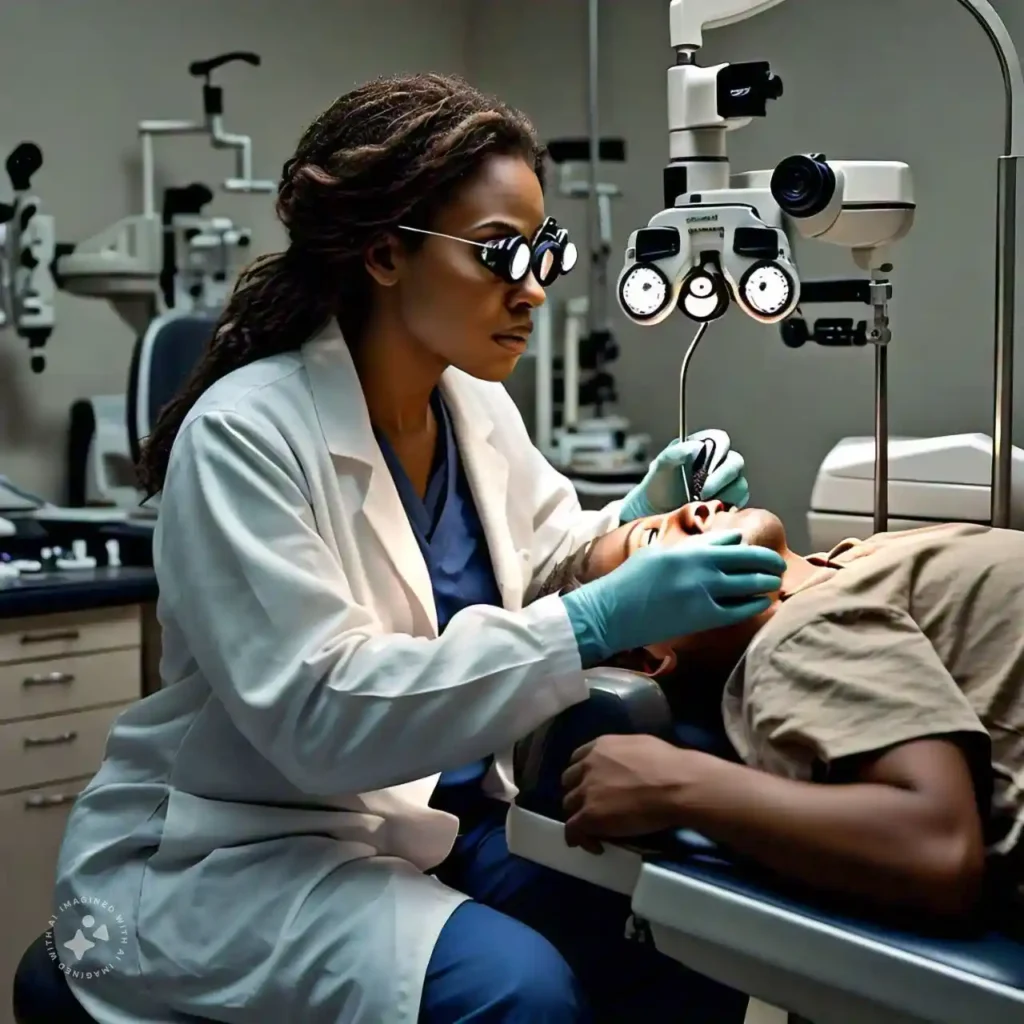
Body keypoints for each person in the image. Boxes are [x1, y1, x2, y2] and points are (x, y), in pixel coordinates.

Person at [51, 74, 788, 1024]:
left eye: (543, 251)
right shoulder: (245, 434)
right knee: (518, 994)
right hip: (244, 848)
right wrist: (603, 612)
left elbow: (542, 564)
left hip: (434, 820)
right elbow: (321, 716)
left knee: (685, 937)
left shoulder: (473, 405)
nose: (532, 289)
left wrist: (626, 527)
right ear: (385, 253)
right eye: (498, 253)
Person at [552, 500, 1024, 925]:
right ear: (649, 656)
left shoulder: (855, 561)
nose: (692, 509)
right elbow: (939, 849)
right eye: (652, 539)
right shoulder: (796, 636)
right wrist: (678, 783)